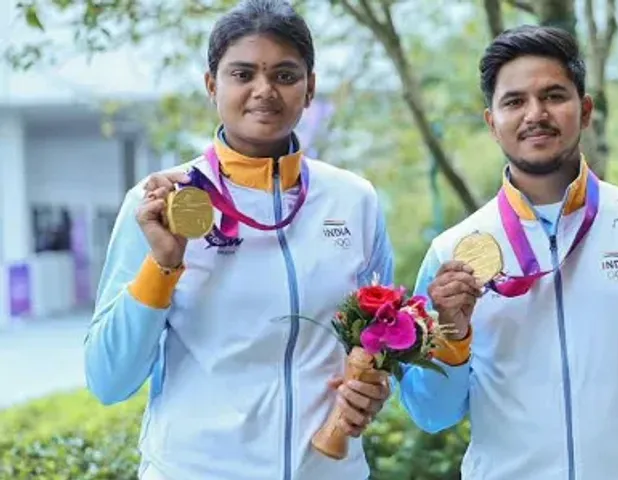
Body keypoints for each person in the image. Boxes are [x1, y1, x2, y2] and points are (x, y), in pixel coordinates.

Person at [398, 25, 618, 480]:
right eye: (514, 101)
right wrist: (452, 337)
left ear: (585, 110)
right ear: (491, 122)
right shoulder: (451, 255)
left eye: (553, 96)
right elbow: (430, 412)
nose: (535, 114)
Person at [84, 1, 393, 479]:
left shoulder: (354, 200)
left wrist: (376, 385)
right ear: (212, 85)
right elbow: (109, 379)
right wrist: (163, 265)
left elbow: (383, 340)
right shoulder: (159, 204)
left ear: (310, 88)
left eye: (286, 75)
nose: (264, 91)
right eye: (242, 74)